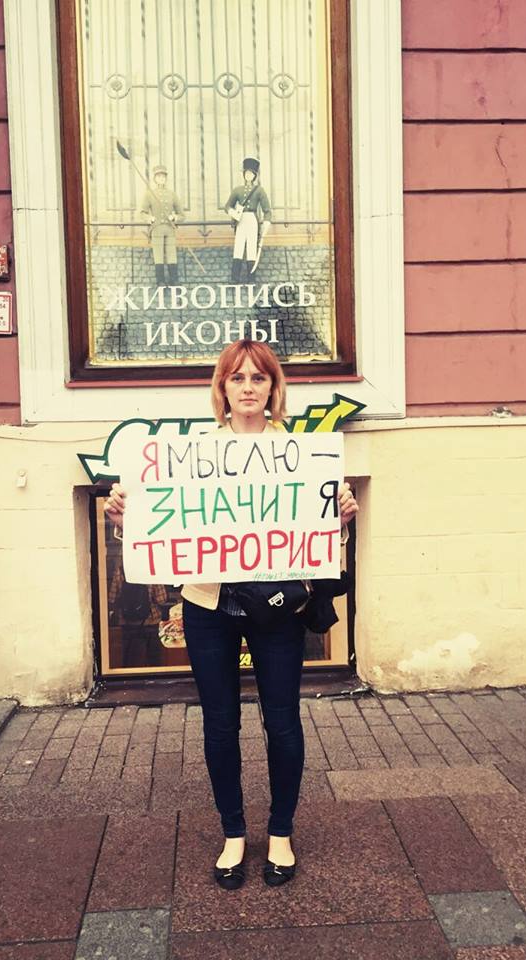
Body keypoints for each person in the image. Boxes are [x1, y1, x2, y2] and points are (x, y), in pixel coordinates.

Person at [104, 340, 358, 890]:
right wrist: (126, 519)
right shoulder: (192, 456)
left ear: (273, 388)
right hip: (208, 606)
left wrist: (337, 520)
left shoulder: (303, 455)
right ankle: (234, 834)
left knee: (282, 720)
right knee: (220, 723)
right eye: (237, 377)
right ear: (222, 388)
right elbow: (162, 529)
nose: (248, 387)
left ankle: (282, 832)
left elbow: (315, 541)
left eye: (258, 378)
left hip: (276, 609)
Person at [225, 158, 272, 283]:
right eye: (246, 173)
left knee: (251, 248)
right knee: (238, 247)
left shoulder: (259, 190)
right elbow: (227, 206)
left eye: (251, 173)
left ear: (254, 176)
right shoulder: (237, 190)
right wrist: (233, 213)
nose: (248, 175)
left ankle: (251, 278)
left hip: (252, 220)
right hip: (240, 220)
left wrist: (266, 222)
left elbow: (267, 210)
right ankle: (235, 278)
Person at [140, 164, 184, 286]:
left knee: (171, 254)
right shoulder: (149, 194)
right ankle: (160, 280)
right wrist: (149, 218)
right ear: (155, 179)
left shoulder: (172, 194)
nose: (161, 179)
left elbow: (182, 215)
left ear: (166, 178)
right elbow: (142, 212)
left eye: (163, 176)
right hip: (157, 228)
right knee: (158, 254)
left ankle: (174, 279)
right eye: (159, 177)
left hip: (170, 229)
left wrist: (175, 217)